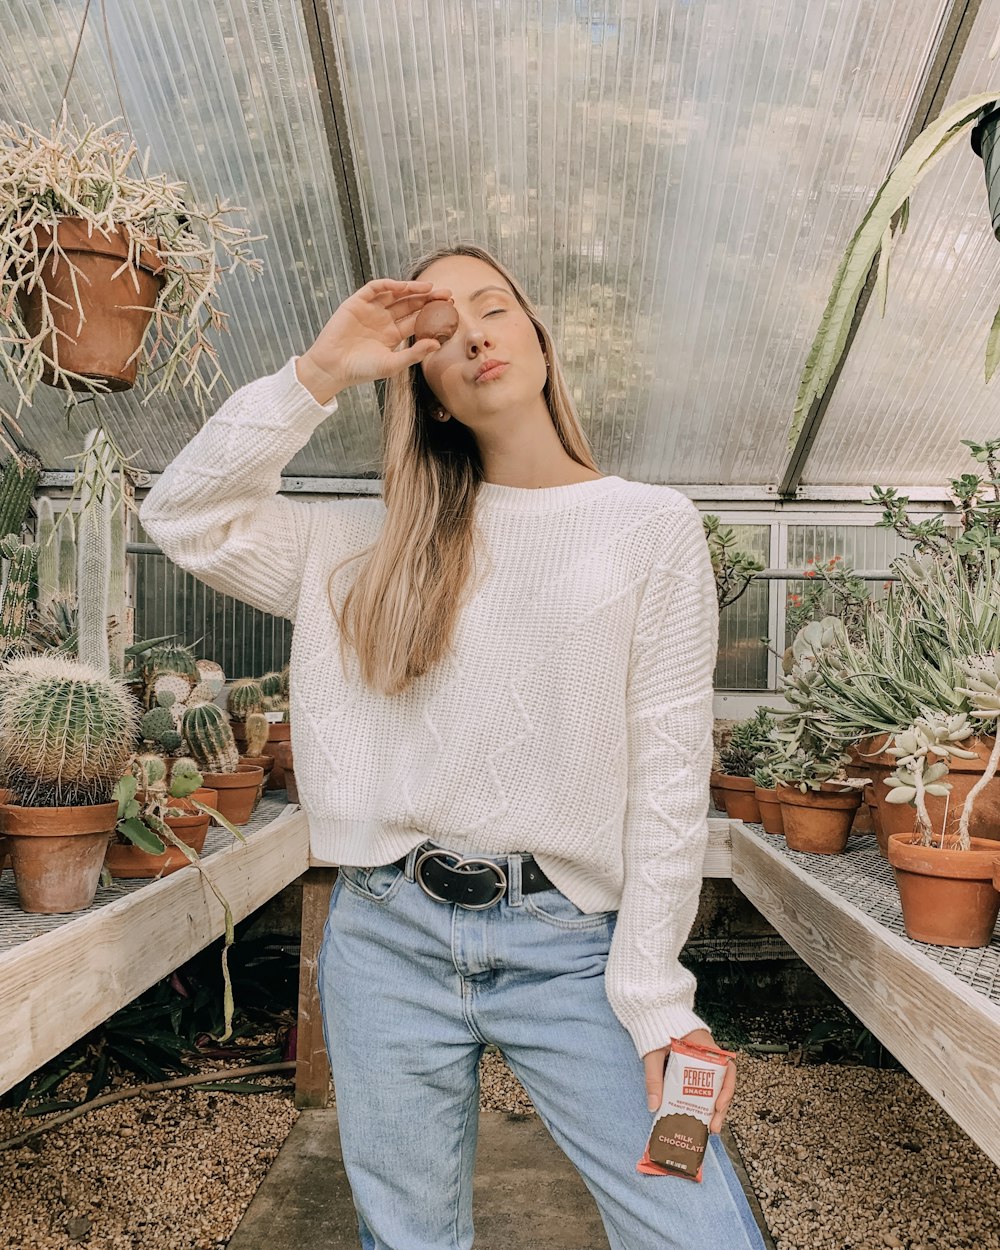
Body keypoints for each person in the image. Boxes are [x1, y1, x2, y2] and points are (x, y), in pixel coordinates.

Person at [140, 243, 767, 1250]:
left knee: (694, 1230)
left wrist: (655, 995)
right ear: (425, 392)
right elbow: (184, 514)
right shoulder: (366, 541)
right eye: (437, 334)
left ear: (539, 341)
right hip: (386, 935)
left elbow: (664, 776)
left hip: (572, 946)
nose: (473, 332)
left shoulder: (650, 526)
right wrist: (322, 371)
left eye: (495, 307)